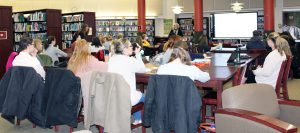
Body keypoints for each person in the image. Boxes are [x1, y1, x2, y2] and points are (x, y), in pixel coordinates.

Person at [108, 39, 146, 124]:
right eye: (130, 46)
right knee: (147, 97)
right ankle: (146, 119)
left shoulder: (112, 59)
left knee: (136, 92)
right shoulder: (130, 60)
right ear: (124, 49)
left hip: (114, 97)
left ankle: (138, 118)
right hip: (128, 98)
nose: (132, 48)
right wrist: (138, 54)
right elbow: (143, 69)